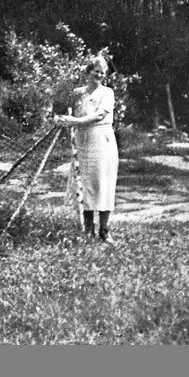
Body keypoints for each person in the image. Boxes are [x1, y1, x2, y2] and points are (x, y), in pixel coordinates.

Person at [55, 55, 119, 243]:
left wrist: (76, 122)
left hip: (102, 140)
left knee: (103, 184)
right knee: (85, 184)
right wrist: (60, 119)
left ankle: (105, 230)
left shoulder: (107, 93)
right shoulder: (77, 93)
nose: (99, 75)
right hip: (83, 142)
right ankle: (88, 230)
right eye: (96, 71)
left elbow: (100, 116)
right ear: (88, 71)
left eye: (102, 72)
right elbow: (63, 107)